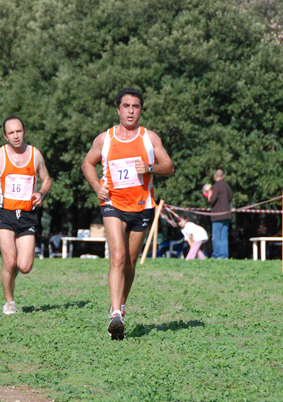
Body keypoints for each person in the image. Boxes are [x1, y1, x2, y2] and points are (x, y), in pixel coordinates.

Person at [81, 88, 174, 340]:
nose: (130, 111)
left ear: (140, 110)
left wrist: (150, 167)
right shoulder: (105, 139)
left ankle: (121, 308)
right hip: (112, 204)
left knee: (130, 264)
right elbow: (87, 163)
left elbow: (169, 166)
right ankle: (114, 314)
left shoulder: (149, 138)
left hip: (142, 206)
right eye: (126, 106)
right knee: (118, 257)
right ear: (118, 109)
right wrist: (97, 187)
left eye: (135, 106)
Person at [0, 116, 52, 315]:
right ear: (5, 136)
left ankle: (9, 275)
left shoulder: (35, 155)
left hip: (27, 214)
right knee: (9, 261)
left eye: (18, 131)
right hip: (4, 213)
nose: (16, 136)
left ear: (24, 132)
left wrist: (41, 193)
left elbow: (46, 179)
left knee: (24, 266)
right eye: (11, 133)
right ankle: (9, 302)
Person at [207, 169, 233, 259]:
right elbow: (230, 197)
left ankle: (217, 255)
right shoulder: (227, 186)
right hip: (226, 214)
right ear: (223, 176)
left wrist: (209, 197)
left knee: (216, 236)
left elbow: (213, 200)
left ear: (215, 176)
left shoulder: (216, 186)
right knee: (224, 236)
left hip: (217, 215)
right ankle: (224, 255)